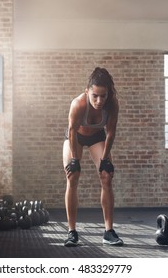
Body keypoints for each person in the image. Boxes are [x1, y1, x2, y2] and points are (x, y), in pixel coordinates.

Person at [62, 67, 123, 247]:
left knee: (106, 176)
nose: (99, 100)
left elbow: (110, 133)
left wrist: (105, 161)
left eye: (103, 96)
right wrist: (75, 159)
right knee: (72, 176)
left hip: (97, 137)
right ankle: (72, 232)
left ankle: (108, 231)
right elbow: (72, 132)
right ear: (87, 91)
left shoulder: (112, 104)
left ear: (108, 94)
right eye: (95, 95)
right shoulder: (78, 104)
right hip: (75, 138)